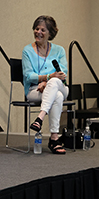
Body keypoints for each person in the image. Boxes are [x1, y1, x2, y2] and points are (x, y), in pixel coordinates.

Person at [22, 15, 68, 154]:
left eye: (42, 30)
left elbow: (62, 74)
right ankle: (54, 138)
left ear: (50, 33)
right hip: (34, 90)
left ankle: (40, 118)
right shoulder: (27, 51)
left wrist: (46, 82)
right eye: (36, 29)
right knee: (57, 96)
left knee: (55, 83)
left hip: (59, 85)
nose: (38, 32)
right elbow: (28, 76)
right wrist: (46, 78)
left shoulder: (59, 50)